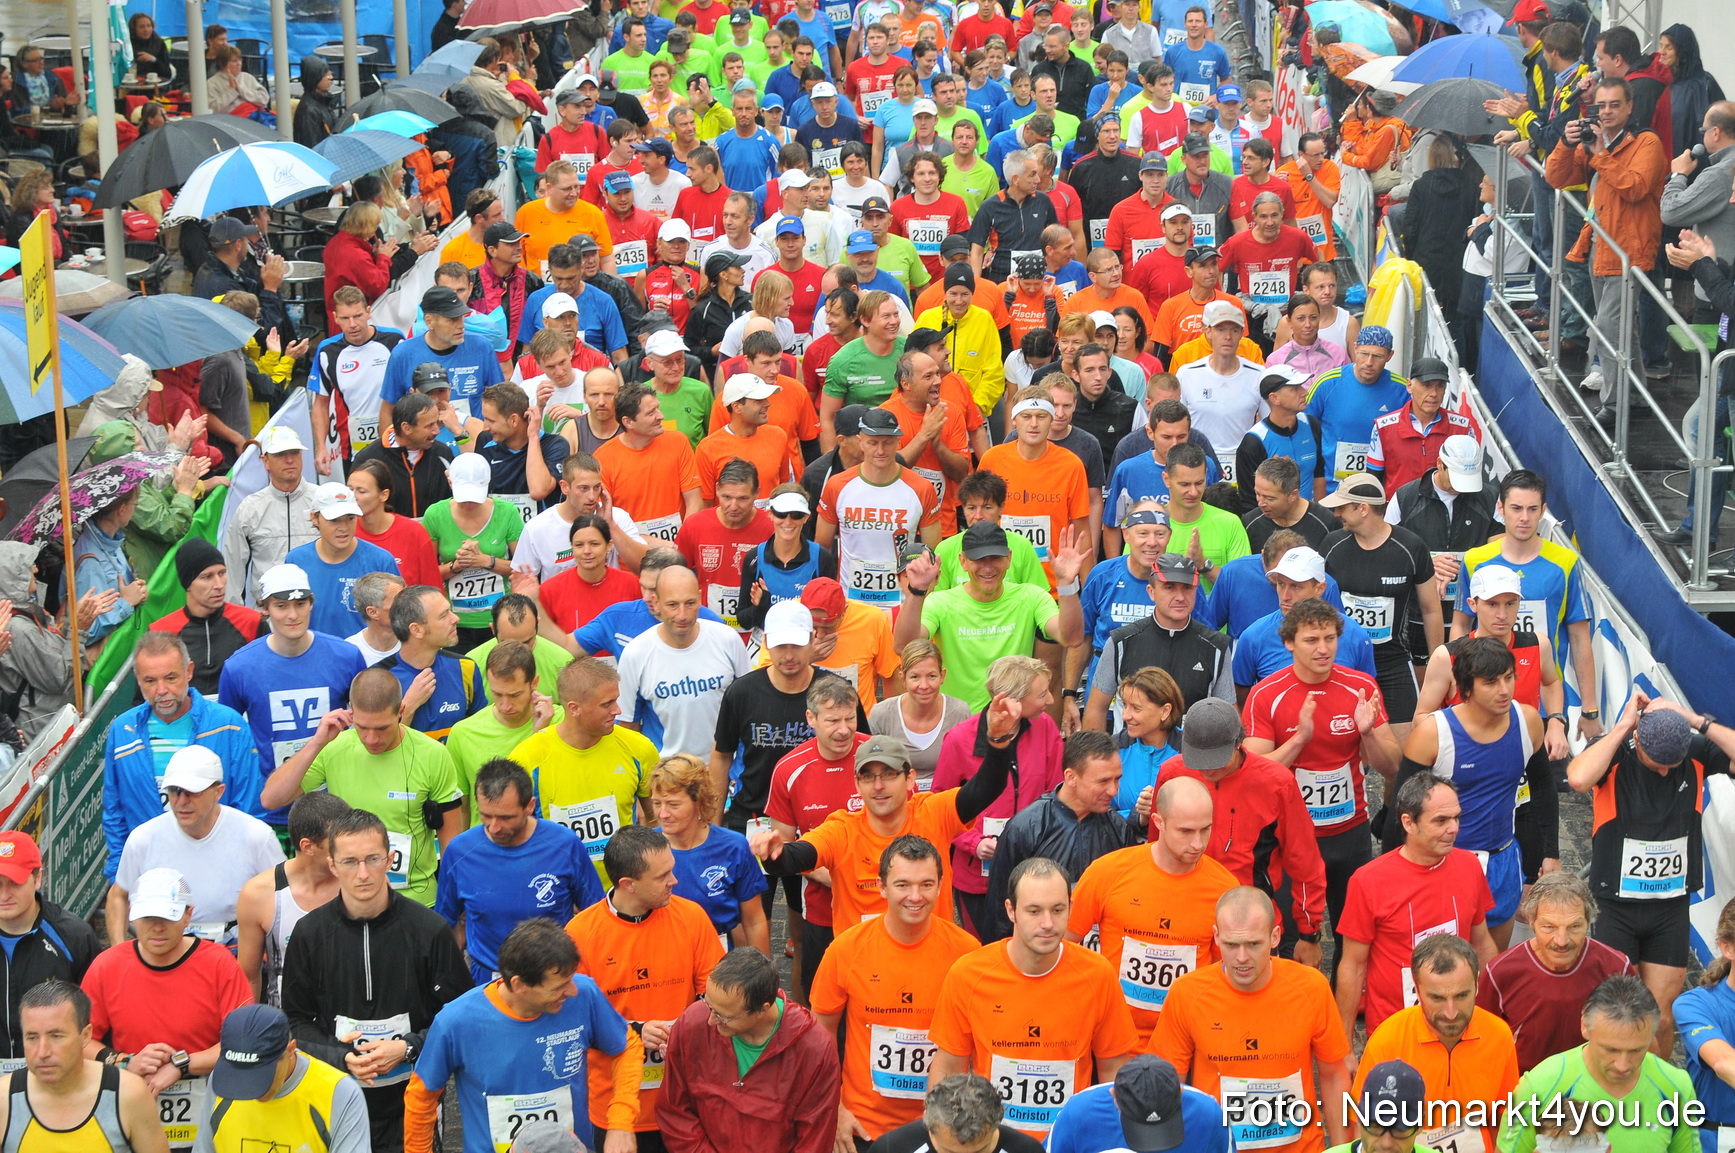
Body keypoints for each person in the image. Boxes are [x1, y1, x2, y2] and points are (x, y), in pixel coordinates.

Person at [277, 807, 470, 1149]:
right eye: (350, 862)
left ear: (390, 859)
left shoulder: (429, 930)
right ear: (332, 865)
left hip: (413, 1105)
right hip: (334, 1102)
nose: (363, 873)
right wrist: (341, 1056)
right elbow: (294, 1022)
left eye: (373, 859)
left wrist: (408, 1047)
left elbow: (461, 1019)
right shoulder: (308, 934)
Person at [1567, 693, 1735, 1051]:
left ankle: (1654, 1095)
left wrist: (1695, 720)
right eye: (1655, 763)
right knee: (1616, 1009)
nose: (1663, 771)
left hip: (1669, 906)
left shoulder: (1694, 751)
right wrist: (1624, 725)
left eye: (1671, 766)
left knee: (1660, 1014)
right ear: (1638, 740)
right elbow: (1578, 779)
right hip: (1615, 905)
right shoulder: (1616, 752)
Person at [927, 857, 1140, 1138]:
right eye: (1034, 911)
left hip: (1067, 1140)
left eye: (1058, 910)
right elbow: (947, 1069)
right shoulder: (968, 974)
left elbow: (1114, 1070)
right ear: (1011, 911)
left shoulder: (1097, 974)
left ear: (1071, 909)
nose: (1048, 923)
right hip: (991, 1140)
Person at [402, 918, 642, 1153]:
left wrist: (621, 1121)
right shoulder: (456, 1021)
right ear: (518, 985)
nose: (572, 990)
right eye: (558, 986)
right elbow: (421, 1097)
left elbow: (627, 1046)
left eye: (570, 979)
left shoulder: (584, 995)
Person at [1241, 596, 1401, 935]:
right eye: (1311, 640)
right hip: (1288, 837)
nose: (1323, 649)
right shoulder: (1267, 694)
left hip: (1349, 831)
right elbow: (1252, 773)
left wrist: (1367, 733)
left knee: (1353, 936)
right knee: (1288, 936)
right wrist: (1299, 739)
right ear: (1289, 643)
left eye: (1330, 638)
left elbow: (1392, 767)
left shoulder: (1360, 687)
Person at [1149, 886, 1351, 1153]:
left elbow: (1334, 1075)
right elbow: (1169, 1085)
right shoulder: (1187, 994)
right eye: (1232, 945)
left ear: (1275, 936)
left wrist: (1343, 1149)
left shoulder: (1311, 988)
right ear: (1216, 937)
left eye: (1254, 944)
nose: (1241, 958)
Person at [811, 835, 978, 1147]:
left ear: (941, 886)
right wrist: (834, 1109)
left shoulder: (967, 953)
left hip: (942, 1128)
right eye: (902, 885)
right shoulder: (846, 949)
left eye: (926, 884)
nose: (915, 896)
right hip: (863, 1125)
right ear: (882, 887)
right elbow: (820, 1034)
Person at [564, 825, 724, 1149]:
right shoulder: (580, 933)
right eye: (662, 875)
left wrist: (688, 1027)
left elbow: (719, 996)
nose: (674, 881)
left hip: (687, 1100)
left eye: (672, 870)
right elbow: (573, 1020)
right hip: (618, 1107)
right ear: (629, 885)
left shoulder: (692, 918)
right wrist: (635, 1031)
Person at [1391, 639, 1551, 952]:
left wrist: (1551, 852)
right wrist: (1398, 875)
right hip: (1444, 863)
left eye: (1508, 677)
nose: (1504, 690)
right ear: (1467, 687)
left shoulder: (1528, 721)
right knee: (1440, 964)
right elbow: (1402, 811)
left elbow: (1543, 788)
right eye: (1491, 682)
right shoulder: (1432, 733)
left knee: (1491, 968)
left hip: (1501, 859)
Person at [81, 867, 255, 1147]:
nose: (157, 927)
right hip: (129, 1108)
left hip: (209, 1107)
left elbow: (244, 1041)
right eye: (148, 917)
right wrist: (126, 1061)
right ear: (133, 916)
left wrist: (181, 1064)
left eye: (167, 917)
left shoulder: (219, 964)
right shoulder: (107, 965)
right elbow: (80, 1040)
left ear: (188, 915)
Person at [1064, 777, 1236, 1044]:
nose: (1198, 844)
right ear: (1158, 822)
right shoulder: (1108, 872)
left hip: (1184, 1041)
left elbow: (1224, 972)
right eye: (1186, 831)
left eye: (1206, 830)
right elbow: (1062, 945)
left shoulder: (1224, 888)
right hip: (1113, 1039)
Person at [1336, 771, 1498, 1041]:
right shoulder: (1369, 881)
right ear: (1409, 823)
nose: (1454, 828)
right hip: (1396, 1030)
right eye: (1441, 821)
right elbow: (1353, 966)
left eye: (1457, 817)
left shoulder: (1469, 866)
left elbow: (1482, 945)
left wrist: (1490, 1015)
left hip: (1456, 1024)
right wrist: (1342, 1044)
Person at [1545, 77, 1671, 412]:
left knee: (1609, 328)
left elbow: (1635, 188)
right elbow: (1556, 178)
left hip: (1630, 251)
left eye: (1615, 104)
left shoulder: (1646, 143)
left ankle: (1616, 404)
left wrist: (1599, 153)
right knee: (1620, 330)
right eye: (1601, 106)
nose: (1607, 112)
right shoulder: (1594, 143)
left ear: (1630, 106)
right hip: (1600, 247)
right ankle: (1637, 396)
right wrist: (1565, 142)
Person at [1453, 471, 1601, 747]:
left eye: (1532, 509)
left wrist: (1589, 709)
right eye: (1516, 508)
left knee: (1542, 787)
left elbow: (1581, 638)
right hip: (1480, 698)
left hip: (1543, 704)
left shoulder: (1565, 563)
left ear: (1543, 511)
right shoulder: (1475, 560)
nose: (1524, 518)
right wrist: (1455, 688)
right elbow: (1461, 626)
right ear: (1500, 508)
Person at [101, 630, 258, 884]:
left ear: (189, 671)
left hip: (219, 873)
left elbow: (248, 807)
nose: (162, 690)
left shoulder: (229, 725)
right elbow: (114, 812)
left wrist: (238, 871)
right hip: (150, 880)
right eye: (150, 681)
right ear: (137, 680)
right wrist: (120, 878)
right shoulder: (123, 730)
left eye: (171, 678)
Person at [929, 656, 1065, 936]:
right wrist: (973, 843)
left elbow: (1056, 793)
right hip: (978, 874)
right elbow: (939, 805)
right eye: (1041, 694)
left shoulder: (1046, 728)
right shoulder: (959, 739)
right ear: (1012, 700)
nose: (1050, 700)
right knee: (985, 952)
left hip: (1033, 868)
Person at [656, 946, 838, 1152]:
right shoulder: (692, 1023)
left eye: (724, 1016)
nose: (710, 1020)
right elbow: (674, 1110)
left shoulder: (814, 1050)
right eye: (708, 1004)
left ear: (763, 1009)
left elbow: (815, 1139)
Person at [438, 759, 603, 985]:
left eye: (506, 817)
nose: (494, 827)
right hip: (487, 984)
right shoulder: (459, 852)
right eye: (486, 815)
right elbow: (445, 924)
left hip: (554, 982)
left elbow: (595, 917)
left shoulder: (565, 845)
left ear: (529, 806)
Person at [105, 745, 285, 950]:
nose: (182, 801)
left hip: (235, 950)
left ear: (218, 792)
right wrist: (118, 951)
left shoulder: (256, 836)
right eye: (174, 791)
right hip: (164, 952)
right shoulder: (144, 838)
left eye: (192, 792)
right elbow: (119, 893)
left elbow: (283, 898)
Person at [1497, 975, 1697, 1153]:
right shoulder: (1540, 1086)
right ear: (1584, 1025)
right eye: (1610, 1049)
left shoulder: (1676, 1088)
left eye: (1636, 1050)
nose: (1622, 1065)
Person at [1318, 473, 1441, 731]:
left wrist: (1437, 662)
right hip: (1343, 662)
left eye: (1342, 507)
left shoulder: (1410, 547)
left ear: (1363, 509)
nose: (1337, 513)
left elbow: (1430, 609)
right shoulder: (1332, 545)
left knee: (1406, 752)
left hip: (1392, 661)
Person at [1476, 871, 1633, 1073]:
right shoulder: (1500, 973)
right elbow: (1482, 1041)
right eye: (1549, 927)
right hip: (1524, 1088)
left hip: (1592, 1087)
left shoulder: (1617, 967)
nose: (1561, 940)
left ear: (1589, 921)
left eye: (1574, 927)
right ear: (1531, 922)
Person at [0, 981, 168, 1153]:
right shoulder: (4, 1098)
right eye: (32, 1037)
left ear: (85, 1035)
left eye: (56, 1036)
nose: (42, 1052)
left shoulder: (128, 1093)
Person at [194, 1001, 370, 1153]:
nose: (250, 1087)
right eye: (240, 1074)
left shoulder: (338, 1093)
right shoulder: (223, 1080)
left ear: (291, 1049)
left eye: (261, 1073)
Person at [1083, 554, 1232, 732]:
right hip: (1132, 754)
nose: (1180, 597)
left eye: (1187, 588)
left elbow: (1227, 715)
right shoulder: (1120, 642)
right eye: (1169, 587)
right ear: (1151, 592)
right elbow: (1096, 708)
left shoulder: (1216, 647)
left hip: (1189, 757)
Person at [817, 405, 942, 609]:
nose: (881, 451)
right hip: (850, 604)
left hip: (900, 605)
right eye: (873, 443)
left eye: (888, 443)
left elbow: (932, 555)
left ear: (898, 442)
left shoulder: (921, 488)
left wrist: (918, 603)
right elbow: (822, 548)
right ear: (861, 442)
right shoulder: (837, 486)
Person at [234, 793, 348, 1007]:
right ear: (308, 847)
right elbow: (248, 979)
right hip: (287, 1026)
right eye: (338, 843)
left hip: (349, 1021)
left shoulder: (360, 882)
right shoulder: (258, 894)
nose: (349, 851)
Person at [648, 752, 769, 951]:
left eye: (673, 804)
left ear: (699, 801)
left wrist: (763, 977)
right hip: (663, 956)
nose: (663, 814)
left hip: (717, 958)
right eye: (656, 803)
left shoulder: (733, 847)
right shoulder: (646, 848)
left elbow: (754, 921)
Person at [0, 831, 99, 1064]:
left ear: (38, 878)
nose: (4, 895)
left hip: (57, 1074)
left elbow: (97, 1016)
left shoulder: (74, 935)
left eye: (14, 883)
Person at [1048, 1053, 1231, 1153]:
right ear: (1114, 1097)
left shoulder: (1209, 1115)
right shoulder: (1078, 1114)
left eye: (1163, 1123)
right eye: (1139, 1123)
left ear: (1181, 1092)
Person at [221, 426, 317, 605]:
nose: (289, 460)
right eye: (280, 454)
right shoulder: (250, 508)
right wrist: (235, 620)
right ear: (265, 461)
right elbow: (233, 570)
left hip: (316, 610)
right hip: (267, 617)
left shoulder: (321, 501)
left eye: (295, 452)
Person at [353, 390, 458, 519]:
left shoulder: (443, 453)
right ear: (406, 428)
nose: (437, 431)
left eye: (436, 423)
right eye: (429, 425)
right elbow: (355, 509)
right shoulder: (367, 459)